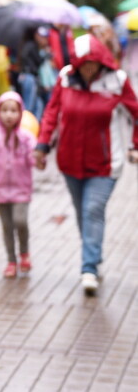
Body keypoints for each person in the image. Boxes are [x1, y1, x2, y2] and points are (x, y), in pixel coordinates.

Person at [35, 34, 138, 296]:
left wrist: (134, 146)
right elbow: (52, 112)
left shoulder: (117, 81)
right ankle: (93, 254)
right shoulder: (66, 78)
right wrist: (42, 144)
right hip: (69, 161)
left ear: (102, 60)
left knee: (92, 209)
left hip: (106, 163)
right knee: (84, 213)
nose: (89, 68)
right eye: (84, 63)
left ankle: (89, 267)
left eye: (93, 63)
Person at [0, 91, 36, 278]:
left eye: (13, 111)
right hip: (0, 190)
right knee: (7, 226)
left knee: (21, 221)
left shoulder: (26, 138)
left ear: (20, 113)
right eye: (4, 110)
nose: (9, 115)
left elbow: (34, 158)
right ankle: (11, 261)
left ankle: (24, 253)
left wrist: (39, 159)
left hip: (21, 189)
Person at [19, 27, 50, 120]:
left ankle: (33, 126)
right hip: (29, 77)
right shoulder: (32, 46)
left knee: (38, 105)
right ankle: (26, 126)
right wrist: (46, 54)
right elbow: (38, 61)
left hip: (28, 77)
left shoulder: (27, 45)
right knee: (29, 105)